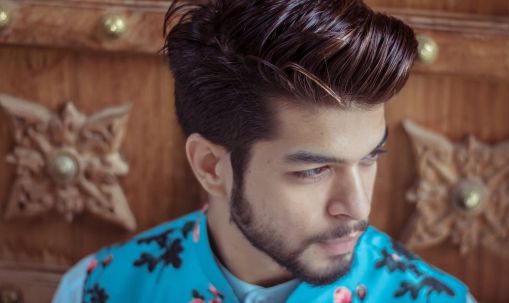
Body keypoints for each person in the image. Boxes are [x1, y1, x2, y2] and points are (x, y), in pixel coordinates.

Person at [53, 0, 478, 302]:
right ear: (210, 167)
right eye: (313, 171)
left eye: (369, 158)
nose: (357, 208)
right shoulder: (95, 292)